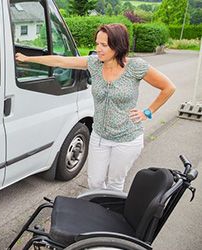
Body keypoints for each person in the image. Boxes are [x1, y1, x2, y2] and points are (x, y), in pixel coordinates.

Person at [16, 24, 176, 192]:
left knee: (115, 183)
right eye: (97, 43)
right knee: (95, 183)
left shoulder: (135, 67)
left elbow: (168, 87)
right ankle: (98, 208)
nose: (97, 49)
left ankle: (107, 214)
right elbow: (60, 61)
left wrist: (148, 112)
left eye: (104, 45)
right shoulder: (94, 63)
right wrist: (27, 59)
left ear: (118, 45)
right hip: (99, 136)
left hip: (127, 139)